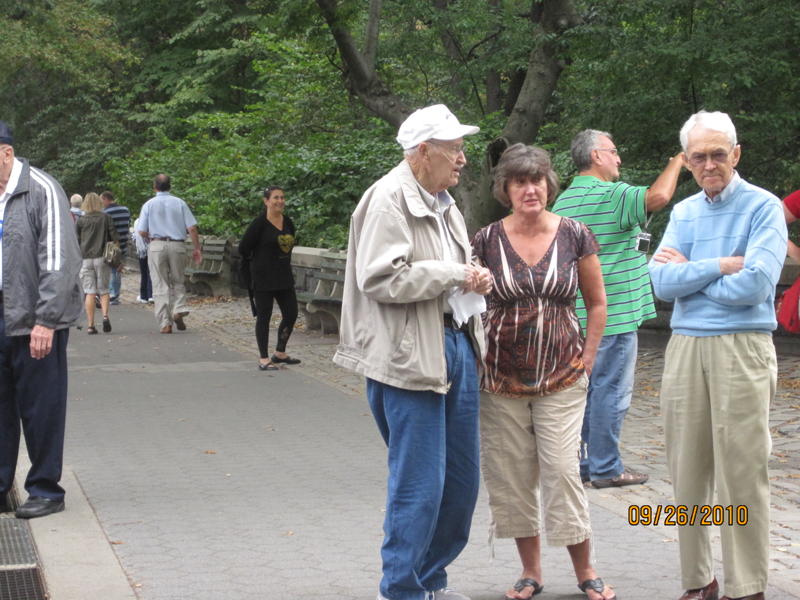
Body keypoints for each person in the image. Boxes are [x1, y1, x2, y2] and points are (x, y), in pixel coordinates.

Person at [333, 104, 493, 600]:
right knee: (420, 485)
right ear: (423, 152)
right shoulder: (387, 199)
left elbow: (450, 272)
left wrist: (474, 277)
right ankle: (401, 589)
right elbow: (380, 278)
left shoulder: (445, 201)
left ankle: (429, 578)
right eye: (454, 149)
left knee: (461, 484)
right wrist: (453, 273)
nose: (463, 159)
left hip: (455, 344)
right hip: (409, 359)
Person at [649, 111, 787, 600]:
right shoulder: (684, 213)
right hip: (685, 347)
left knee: (741, 472)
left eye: (718, 154)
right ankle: (698, 580)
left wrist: (695, 275)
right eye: (699, 156)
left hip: (742, 347)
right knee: (686, 470)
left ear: (737, 154)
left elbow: (756, 286)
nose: (710, 164)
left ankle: (746, 586)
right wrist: (720, 265)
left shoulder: (762, 207)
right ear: (686, 162)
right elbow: (660, 281)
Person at [472, 144, 612, 600]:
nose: (529, 189)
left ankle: (586, 571)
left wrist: (588, 356)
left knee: (562, 471)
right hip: (499, 379)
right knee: (510, 476)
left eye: (536, 180)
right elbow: (468, 303)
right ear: (505, 189)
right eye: (518, 182)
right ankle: (530, 572)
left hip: (562, 377)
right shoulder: (485, 240)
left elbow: (596, 303)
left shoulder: (575, 234)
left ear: (549, 184)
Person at [552, 129, 683, 489]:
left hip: (576, 315)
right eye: (613, 151)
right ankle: (607, 467)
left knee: (584, 392)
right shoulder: (612, 196)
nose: (619, 158)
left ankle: (583, 463)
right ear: (596, 155)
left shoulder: (562, 203)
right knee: (611, 392)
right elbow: (659, 196)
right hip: (615, 313)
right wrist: (678, 161)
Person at [0, 120, 83, 519]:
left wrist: (46, 320)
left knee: (40, 406)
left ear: (6, 153)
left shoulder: (42, 189)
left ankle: (46, 489)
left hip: (35, 315)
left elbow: (60, 260)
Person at [238, 186, 300, 371]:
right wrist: (257, 264)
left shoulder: (287, 221)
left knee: (291, 313)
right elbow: (244, 248)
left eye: (282, 197)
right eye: (275, 198)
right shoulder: (259, 224)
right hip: (263, 277)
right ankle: (264, 358)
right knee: (264, 317)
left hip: (283, 276)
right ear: (266, 201)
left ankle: (280, 352)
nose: (280, 201)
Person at [137, 174, 202, 334]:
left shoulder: (149, 205)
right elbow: (192, 228)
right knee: (179, 280)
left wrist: (152, 237)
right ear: (170, 186)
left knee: (160, 284)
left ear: (155, 187)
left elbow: (142, 230)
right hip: (177, 245)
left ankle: (165, 323)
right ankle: (178, 308)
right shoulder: (179, 203)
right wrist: (197, 248)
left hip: (157, 245)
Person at [75, 192, 118, 333]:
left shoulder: (81, 221)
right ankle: (105, 316)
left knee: (90, 292)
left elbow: (76, 241)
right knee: (104, 290)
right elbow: (114, 239)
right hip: (102, 257)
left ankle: (90, 325)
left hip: (86, 259)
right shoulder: (106, 218)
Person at [101, 191, 130, 305]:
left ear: (105, 199)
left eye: (101, 200)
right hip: (123, 243)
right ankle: (115, 294)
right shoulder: (125, 210)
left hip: (111, 244)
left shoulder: (106, 212)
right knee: (118, 269)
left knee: (112, 270)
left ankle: (113, 295)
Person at [132, 216, 153, 303]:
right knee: (151, 272)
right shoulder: (152, 220)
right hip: (152, 249)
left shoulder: (137, 221)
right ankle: (151, 295)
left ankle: (143, 296)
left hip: (141, 250)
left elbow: (134, 237)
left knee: (144, 273)